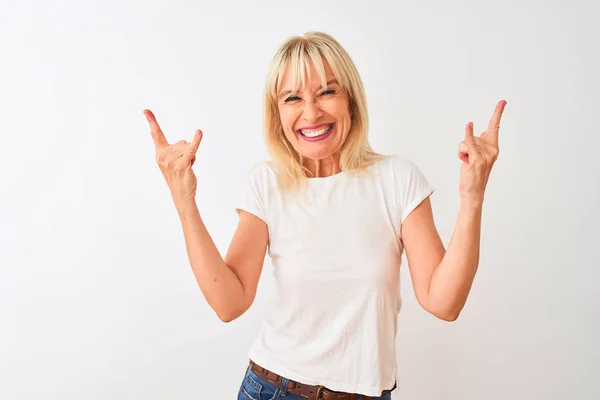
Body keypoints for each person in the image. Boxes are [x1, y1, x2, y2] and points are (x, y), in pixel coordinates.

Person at [144, 31, 506, 400]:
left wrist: (472, 196)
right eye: (293, 98)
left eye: (327, 92)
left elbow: (443, 303)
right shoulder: (268, 184)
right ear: (278, 112)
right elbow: (229, 303)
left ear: (351, 99)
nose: (311, 112)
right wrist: (184, 200)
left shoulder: (396, 178)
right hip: (273, 390)